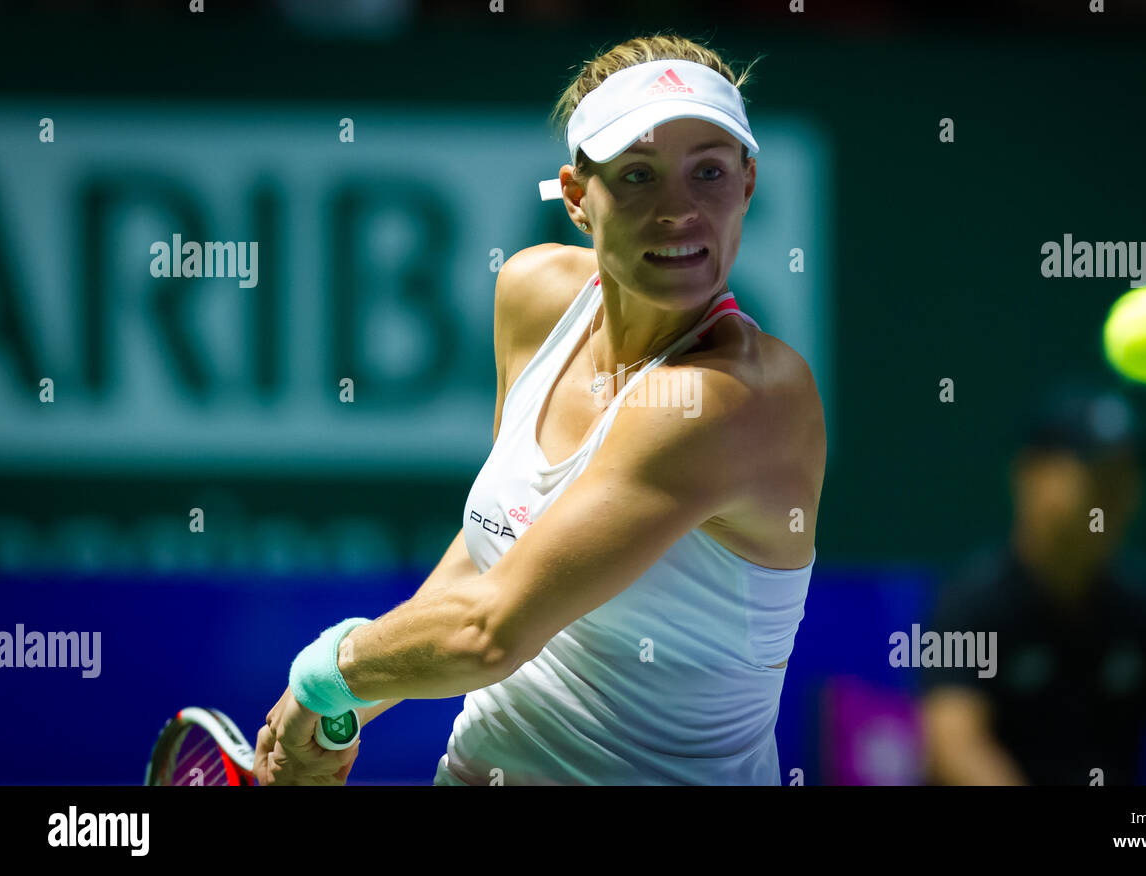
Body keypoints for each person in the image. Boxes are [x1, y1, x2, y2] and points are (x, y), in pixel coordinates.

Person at [253, 34, 825, 786]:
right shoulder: (534, 295)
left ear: (748, 184)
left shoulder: (734, 398)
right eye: (639, 175)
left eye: (709, 172)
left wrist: (325, 677)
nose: (680, 212)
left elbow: (488, 631)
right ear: (579, 198)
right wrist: (345, 710)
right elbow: (498, 552)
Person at [919, 384, 1146, 785]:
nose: (1115, 495)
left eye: (1127, 476)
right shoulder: (966, 604)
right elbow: (952, 745)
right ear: (1031, 474)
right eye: (1098, 475)